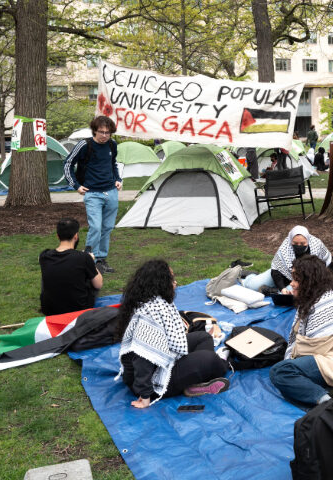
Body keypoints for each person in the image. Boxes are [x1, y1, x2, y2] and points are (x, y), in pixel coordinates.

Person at [116, 260, 229, 409]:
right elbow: (142, 358)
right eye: (171, 278)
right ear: (160, 283)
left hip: (161, 362)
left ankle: (195, 382)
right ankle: (215, 367)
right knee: (212, 359)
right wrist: (145, 396)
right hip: (151, 382)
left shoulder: (155, 302)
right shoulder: (149, 316)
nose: (175, 283)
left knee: (203, 337)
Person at [269, 255, 333, 405]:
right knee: (283, 357)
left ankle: (326, 402)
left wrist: (292, 355)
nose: (292, 284)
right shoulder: (316, 297)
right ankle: (331, 391)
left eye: (296, 280)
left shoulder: (324, 304)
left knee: (280, 372)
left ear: (309, 282)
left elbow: (310, 347)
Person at [64, 116, 122, 274]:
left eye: (108, 133)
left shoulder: (112, 144)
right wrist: (76, 185)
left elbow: (113, 164)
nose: (104, 136)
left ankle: (101, 260)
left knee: (107, 228)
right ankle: (89, 259)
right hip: (92, 194)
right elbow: (68, 163)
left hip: (111, 192)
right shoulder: (84, 144)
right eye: (101, 132)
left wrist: (118, 179)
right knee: (96, 227)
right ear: (94, 131)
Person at [39, 218, 103, 315]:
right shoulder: (84, 258)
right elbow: (98, 285)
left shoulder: (44, 256)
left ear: (57, 236)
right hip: (79, 309)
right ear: (76, 236)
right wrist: (91, 262)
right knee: (98, 269)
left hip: (49, 310)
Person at [242, 225, 332, 293]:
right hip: (282, 274)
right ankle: (250, 276)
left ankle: (271, 291)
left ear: (308, 240)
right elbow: (276, 270)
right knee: (252, 286)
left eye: (302, 243)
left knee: (291, 297)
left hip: (304, 281)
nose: (299, 246)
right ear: (290, 241)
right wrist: (282, 288)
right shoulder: (285, 247)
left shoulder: (317, 245)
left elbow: (328, 263)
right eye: (295, 243)